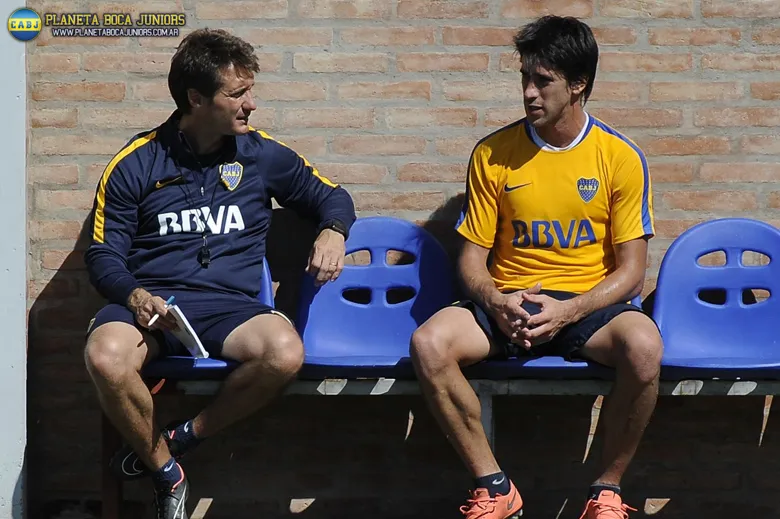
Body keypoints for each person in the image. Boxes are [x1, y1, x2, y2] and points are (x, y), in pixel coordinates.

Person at [83, 29, 355, 519]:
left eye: (250, 90)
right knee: (105, 357)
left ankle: (183, 438)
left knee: (285, 352)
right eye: (237, 93)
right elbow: (103, 256)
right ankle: (167, 474)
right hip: (155, 308)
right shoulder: (135, 162)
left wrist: (333, 232)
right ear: (196, 98)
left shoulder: (261, 153)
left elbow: (332, 196)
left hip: (232, 307)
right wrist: (137, 296)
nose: (251, 104)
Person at [410, 15, 662, 519]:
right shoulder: (493, 153)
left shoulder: (619, 157)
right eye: (525, 78)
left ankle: (606, 493)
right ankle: (495, 487)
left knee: (645, 346)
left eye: (542, 81)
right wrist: (496, 300)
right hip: (510, 305)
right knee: (429, 343)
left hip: (587, 306)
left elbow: (632, 271)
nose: (528, 92)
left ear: (578, 85)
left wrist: (569, 311)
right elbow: (471, 261)